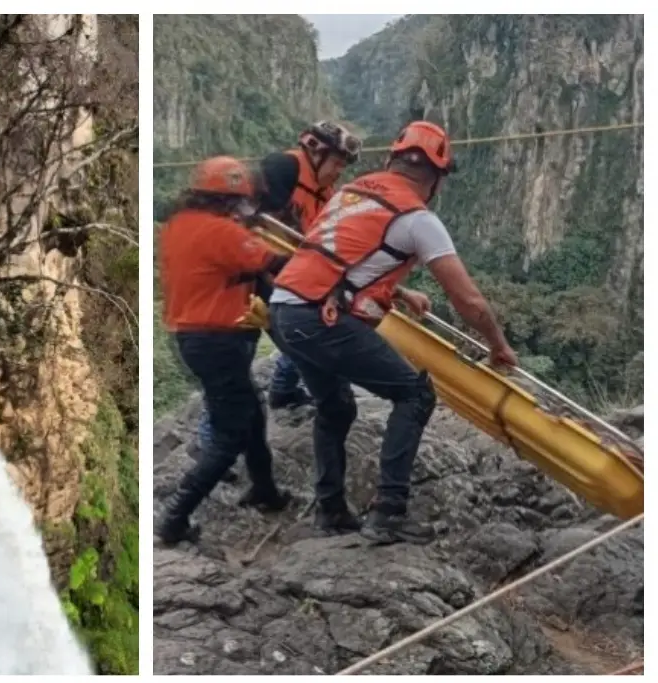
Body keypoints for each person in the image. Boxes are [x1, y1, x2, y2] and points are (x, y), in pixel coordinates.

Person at [267, 120, 519, 546]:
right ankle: (388, 514)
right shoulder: (418, 219)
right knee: (415, 394)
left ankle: (330, 511)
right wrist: (499, 346)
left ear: (392, 160)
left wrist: (398, 292)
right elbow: (470, 302)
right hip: (320, 318)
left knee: (336, 407)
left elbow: (334, 255)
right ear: (436, 177)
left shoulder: (353, 192)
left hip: (284, 311)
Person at [193, 121, 364, 459]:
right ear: (316, 153)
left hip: (281, 278)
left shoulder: (325, 195)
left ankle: (283, 390)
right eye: (336, 163)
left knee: (303, 333)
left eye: (344, 165)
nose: (339, 171)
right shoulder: (282, 169)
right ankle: (209, 442)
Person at [157, 155, 294, 545]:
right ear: (230, 202)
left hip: (191, 336)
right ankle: (175, 517)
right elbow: (274, 263)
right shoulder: (225, 234)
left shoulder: (177, 225)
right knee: (230, 431)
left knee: (250, 408)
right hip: (219, 340)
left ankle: (264, 490)